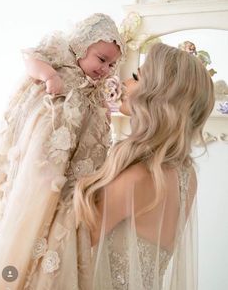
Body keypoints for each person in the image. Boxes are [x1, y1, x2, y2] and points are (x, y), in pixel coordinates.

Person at [0, 13, 125, 289]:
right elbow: (30, 58)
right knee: (33, 206)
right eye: (101, 60)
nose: (106, 69)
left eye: (112, 64)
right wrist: (49, 75)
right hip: (47, 146)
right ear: (81, 45)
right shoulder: (60, 54)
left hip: (69, 162)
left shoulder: (94, 86)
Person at [74, 42, 215, 289]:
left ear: (157, 95)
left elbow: (71, 248)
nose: (125, 83)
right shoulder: (185, 173)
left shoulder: (137, 177)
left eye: (137, 77)